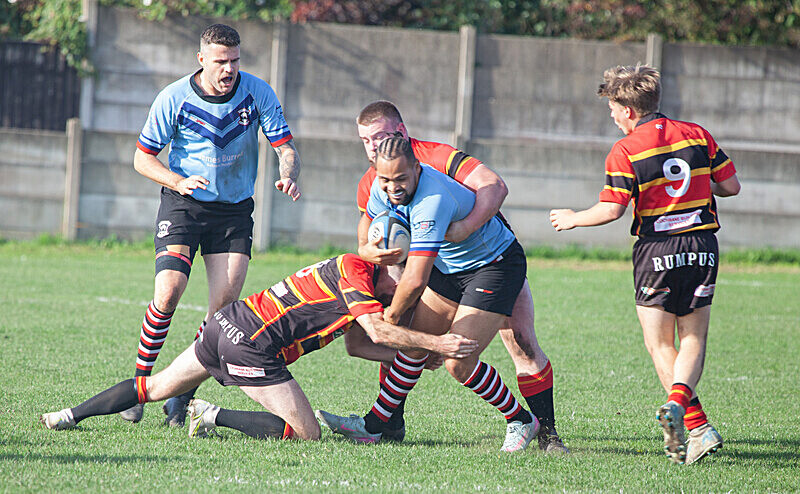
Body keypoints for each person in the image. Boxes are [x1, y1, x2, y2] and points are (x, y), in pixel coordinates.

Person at [40, 254, 478, 440]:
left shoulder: (352, 275)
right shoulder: (359, 277)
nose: (401, 299)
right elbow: (380, 333)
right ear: (391, 271)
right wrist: (438, 341)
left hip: (224, 325)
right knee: (307, 433)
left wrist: (419, 356)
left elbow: (360, 346)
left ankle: (67, 415)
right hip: (251, 346)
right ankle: (210, 414)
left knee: (153, 388)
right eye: (405, 288)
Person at [344, 101, 567, 452]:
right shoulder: (378, 180)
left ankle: (535, 426)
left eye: (380, 137)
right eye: (365, 140)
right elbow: (366, 233)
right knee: (414, 342)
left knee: (475, 355)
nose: (392, 185)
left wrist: (389, 320)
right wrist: (371, 253)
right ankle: (376, 424)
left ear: (402, 136)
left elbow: (493, 185)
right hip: (448, 267)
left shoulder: (435, 173)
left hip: (494, 264)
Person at [549, 64, 740, 465]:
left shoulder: (626, 149)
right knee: (693, 339)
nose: (614, 118)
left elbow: (612, 209)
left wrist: (572, 217)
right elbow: (730, 186)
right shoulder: (697, 134)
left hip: (656, 251)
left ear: (629, 110)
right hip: (702, 245)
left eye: (614, 110)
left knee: (659, 344)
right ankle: (690, 422)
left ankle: (697, 424)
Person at [120, 24, 303, 425]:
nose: (229, 69)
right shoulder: (174, 97)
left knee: (222, 311)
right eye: (221, 61)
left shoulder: (257, 93)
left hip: (233, 212)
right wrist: (177, 180)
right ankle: (139, 387)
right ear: (201, 59)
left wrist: (288, 172)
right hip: (184, 203)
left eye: (235, 60)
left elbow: (285, 146)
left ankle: (182, 394)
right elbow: (141, 158)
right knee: (168, 294)